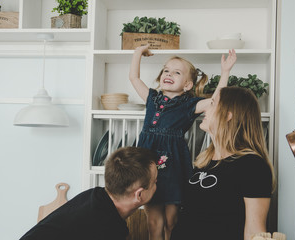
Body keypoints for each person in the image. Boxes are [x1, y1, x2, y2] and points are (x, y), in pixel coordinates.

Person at [129, 44, 236, 240]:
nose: (168, 74)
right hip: (147, 163)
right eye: (166, 70)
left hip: (173, 166)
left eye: (176, 72)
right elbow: (134, 78)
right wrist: (138, 53)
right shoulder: (152, 98)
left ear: (187, 85)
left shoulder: (189, 105)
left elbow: (215, 101)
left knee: (172, 221)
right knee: (153, 221)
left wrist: (225, 72)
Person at [171, 86, 275, 240]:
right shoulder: (205, 159)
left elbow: (255, 232)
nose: (206, 109)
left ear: (227, 115)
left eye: (212, 104)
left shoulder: (253, 166)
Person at [19, 146, 158, 240]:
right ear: (139, 195)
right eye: (155, 182)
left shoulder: (95, 195)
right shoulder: (108, 229)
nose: (158, 186)